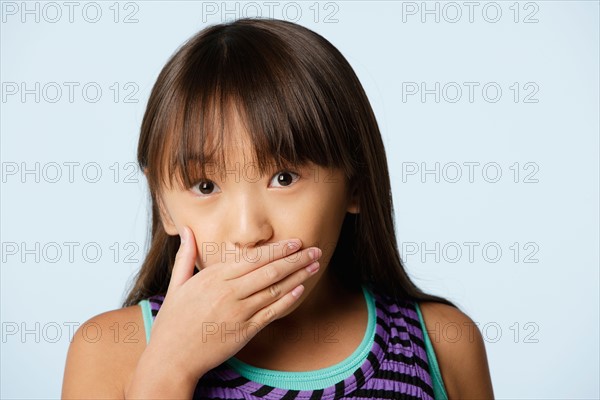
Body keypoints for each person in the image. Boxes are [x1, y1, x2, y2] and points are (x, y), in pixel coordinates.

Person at [62, 18, 494, 399]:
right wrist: (167, 369)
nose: (250, 231)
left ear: (356, 184)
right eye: (206, 185)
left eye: (284, 178)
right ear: (164, 206)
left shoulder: (441, 342)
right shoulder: (110, 349)